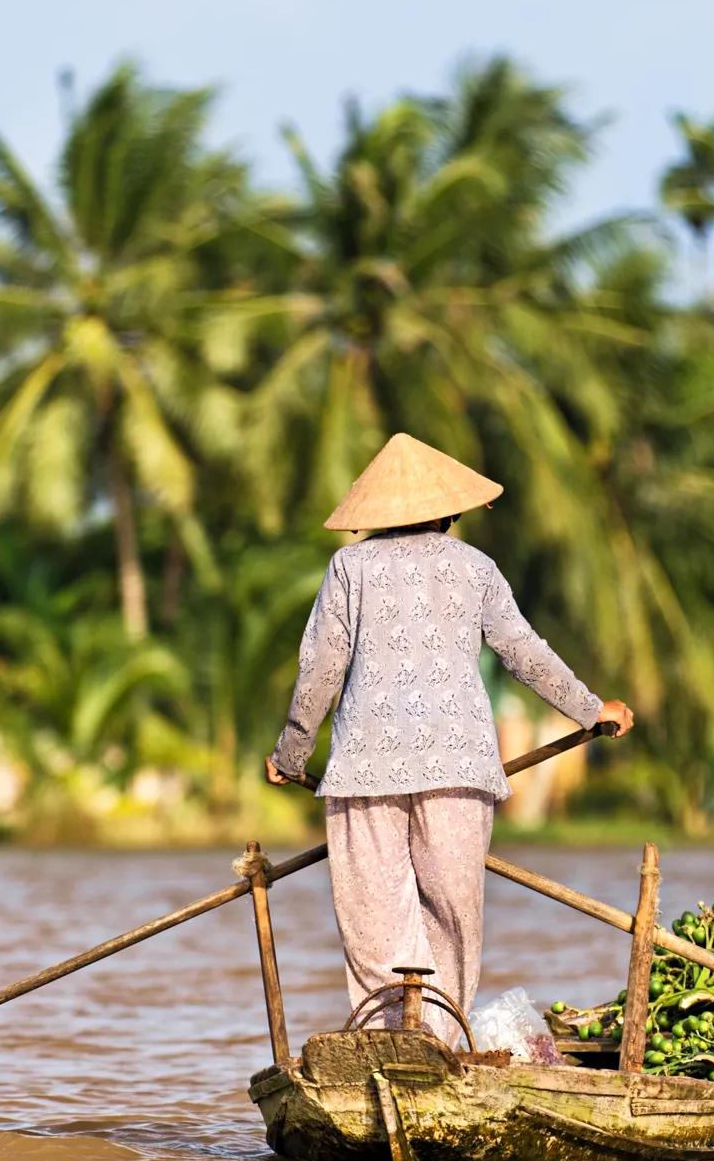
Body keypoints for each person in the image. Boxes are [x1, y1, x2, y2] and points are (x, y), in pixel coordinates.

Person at [266, 433, 636, 1037]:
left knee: (374, 918)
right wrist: (593, 708)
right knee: (453, 915)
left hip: (366, 770)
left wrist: (290, 754)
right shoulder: (475, 568)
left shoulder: (348, 569)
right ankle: (437, 1041)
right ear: (449, 511)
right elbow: (524, 653)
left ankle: (387, 1042)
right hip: (458, 769)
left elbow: (320, 671)